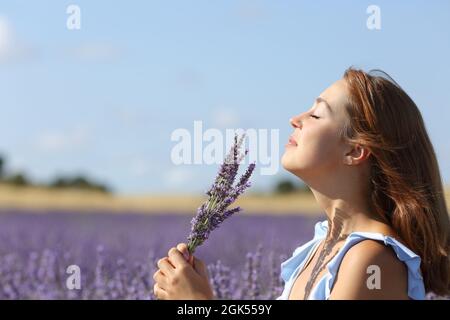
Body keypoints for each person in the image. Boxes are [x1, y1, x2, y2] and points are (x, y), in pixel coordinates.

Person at [152, 67, 450, 300]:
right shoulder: (321, 247)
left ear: (354, 151)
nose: (296, 119)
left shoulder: (371, 260)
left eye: (316, 113)